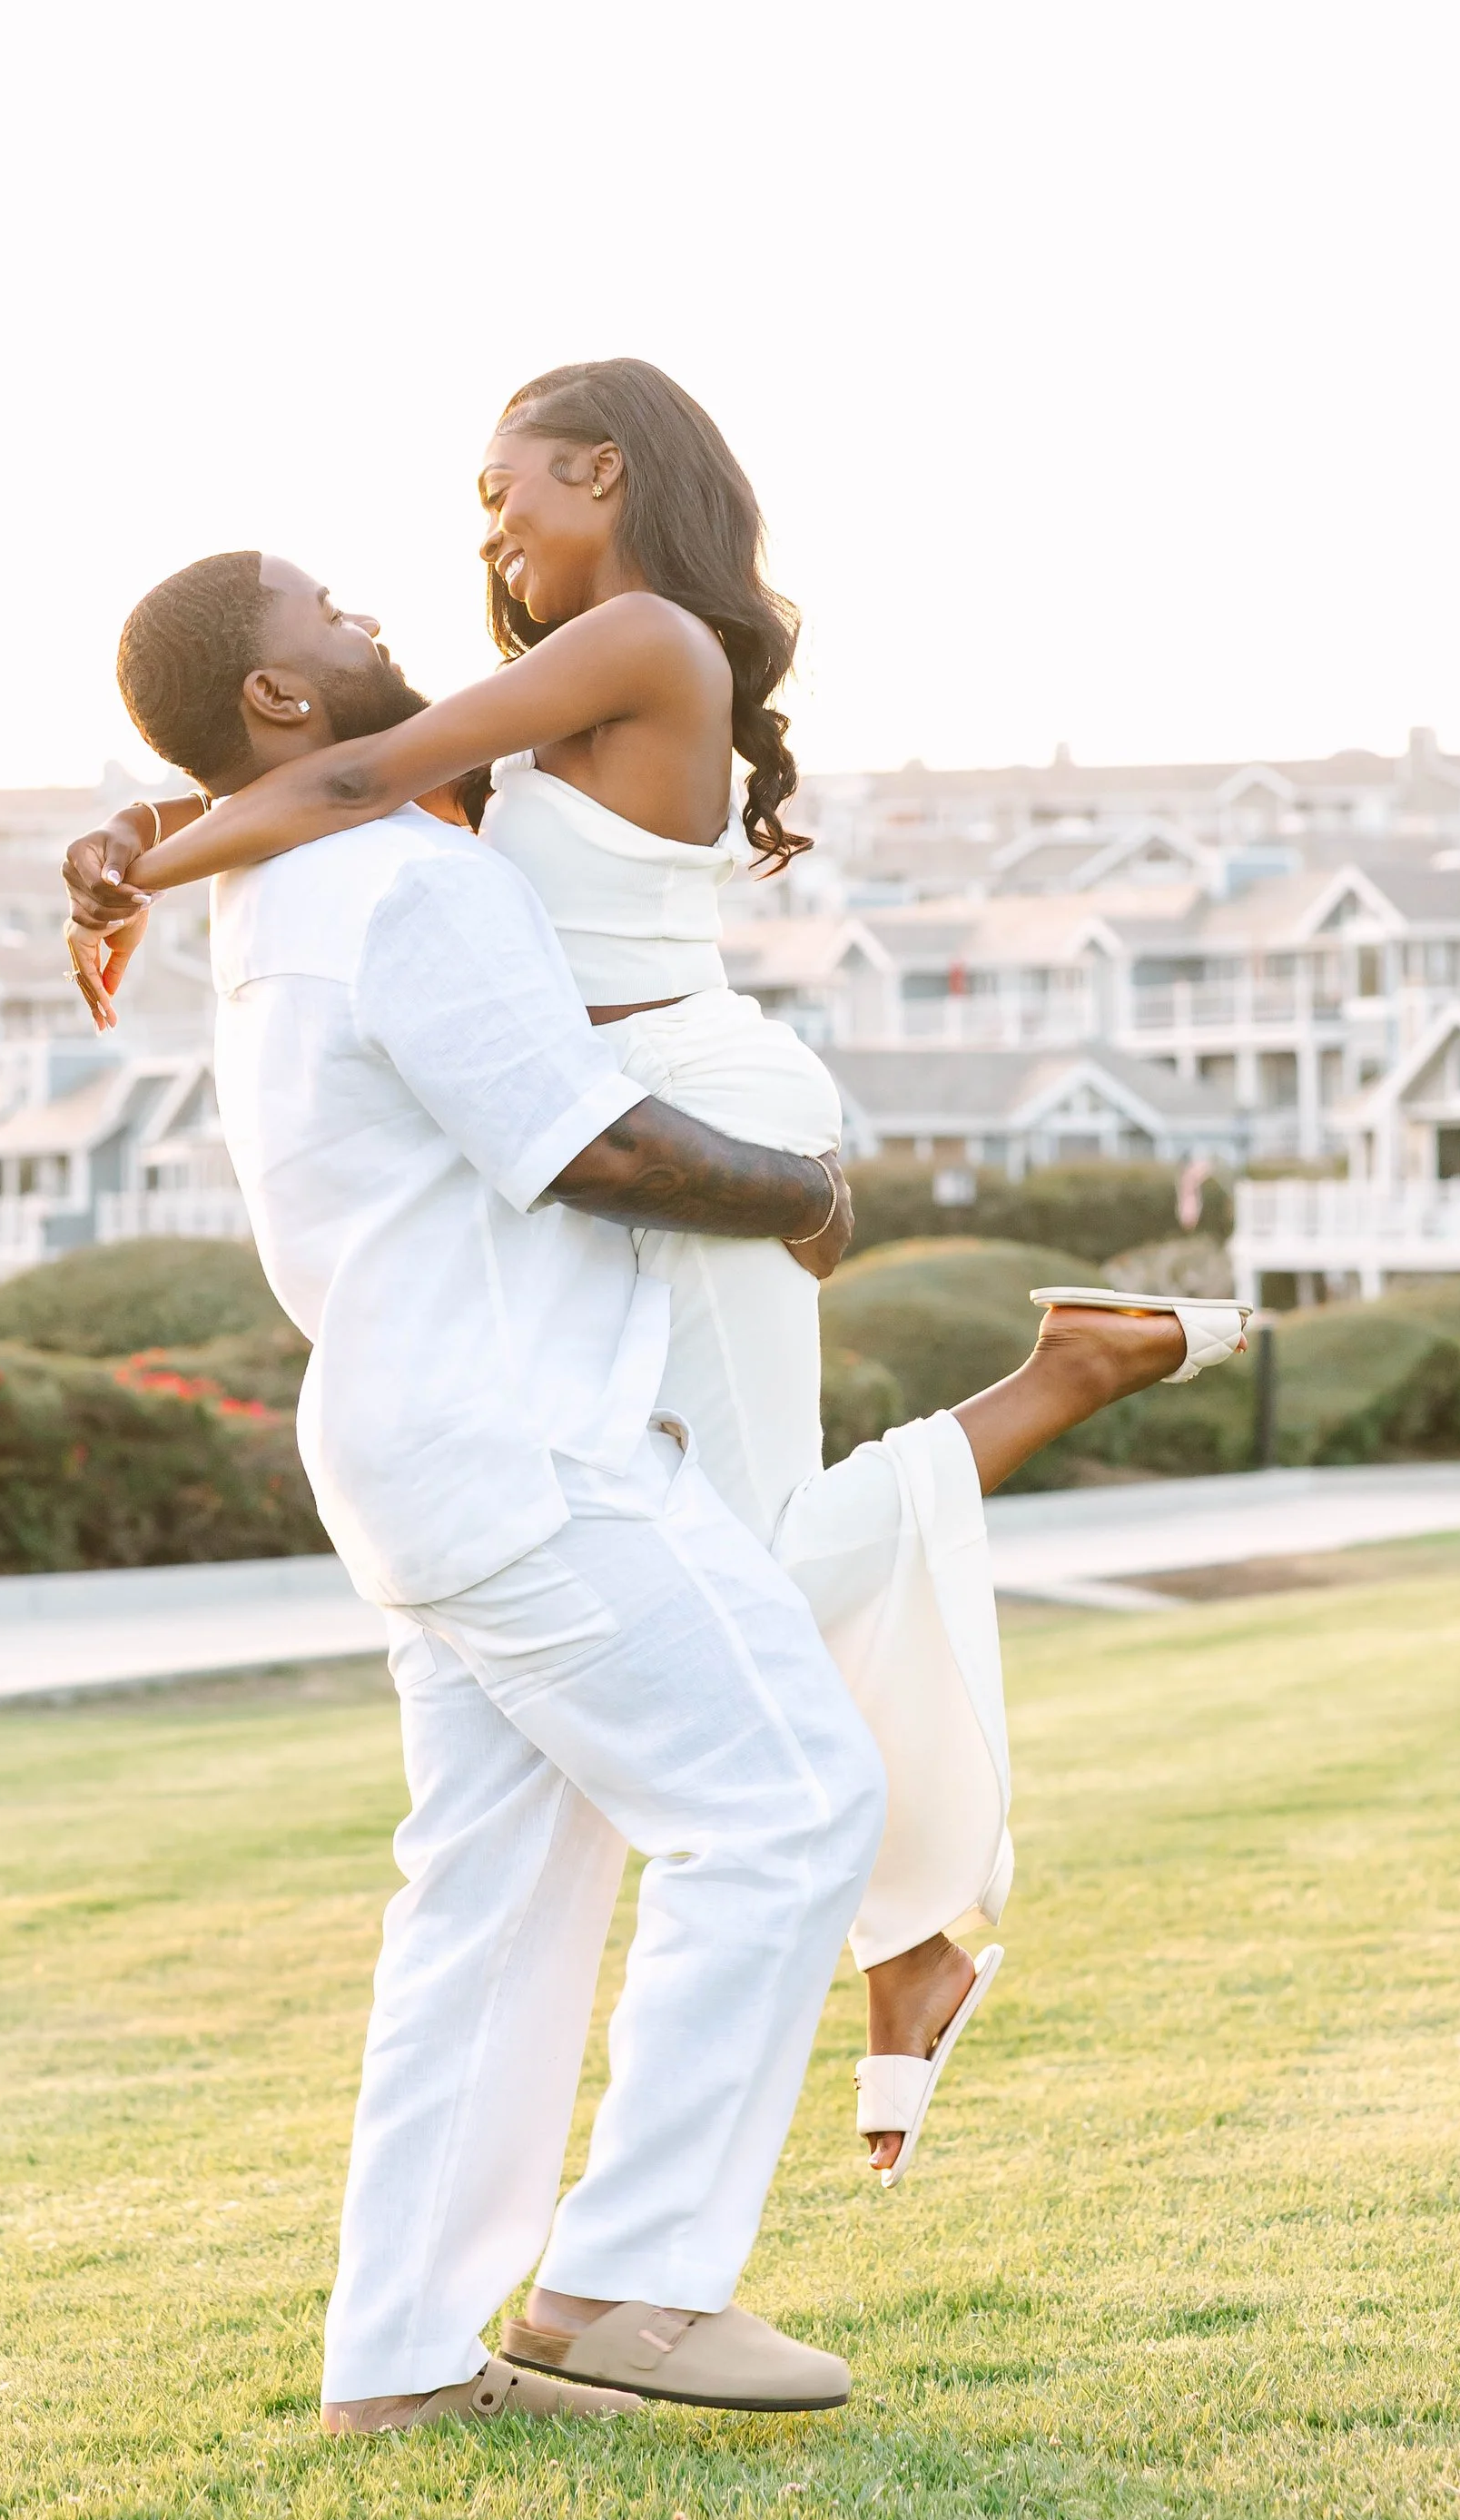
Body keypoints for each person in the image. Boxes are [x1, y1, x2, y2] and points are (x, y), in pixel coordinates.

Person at [64, 364, 1238, 2180]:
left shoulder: (643, 636)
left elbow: (368, 769)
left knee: (746, 1565)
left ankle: (1054, 1390)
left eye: (501, 492)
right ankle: (908, 1946)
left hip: (679, 1117)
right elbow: (359, 803)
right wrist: (148, 842)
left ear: (601, 473)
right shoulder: (577, 689)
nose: (483, 537)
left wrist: (135, 868)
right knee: (720, 1564)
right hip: (629, 1132)